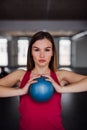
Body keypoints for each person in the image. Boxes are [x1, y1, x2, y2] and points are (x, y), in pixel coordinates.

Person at [0, 31, 87, 130]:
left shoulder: (60, 76)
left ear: (53, 53)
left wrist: (62, 89)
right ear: (31, 53)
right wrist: (20, 91)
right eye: (36, 50)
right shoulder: (20, 75)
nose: (42, 55)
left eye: (47, 50)